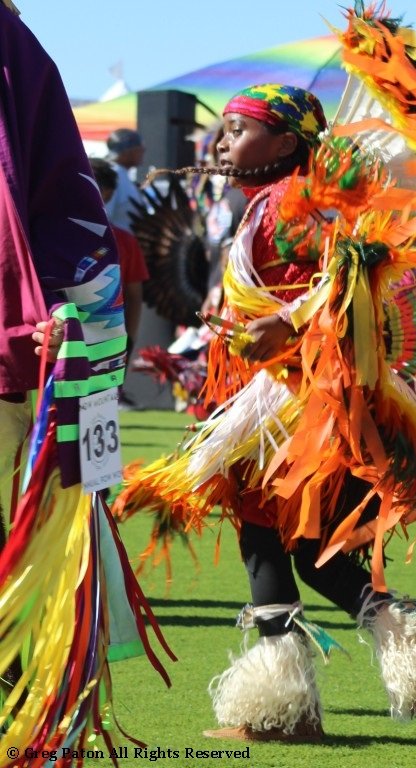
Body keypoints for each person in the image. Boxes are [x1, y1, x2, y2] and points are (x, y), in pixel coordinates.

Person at [118, 83, 416, 746]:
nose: (218, 141)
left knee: (281, 543)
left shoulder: (294, 201)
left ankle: (381, 675)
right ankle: (336, 689)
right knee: (295, 548)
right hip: (276, 408)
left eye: (236, 128)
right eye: (217, 130)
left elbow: (369, 270)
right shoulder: (264, 205)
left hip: (298, 409)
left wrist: (289, 321)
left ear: (285, 142)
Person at [0, 2, 171, 761]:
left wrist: (92, 363)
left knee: (25, 591)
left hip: (28, 366)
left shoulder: (11, 48)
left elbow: (70, 219)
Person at [88, 157, 150, 369]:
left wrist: (128, 342)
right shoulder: (49, 236)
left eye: (91, 182)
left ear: (108, 193)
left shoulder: (124, 242)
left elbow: (134, 297)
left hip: (107, 347)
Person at [104, 127, 146, 231]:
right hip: (117, 244)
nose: (143, 150)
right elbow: (106, 217)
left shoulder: (121, 174)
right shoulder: (113, 175)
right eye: (139, 148)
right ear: (127, 151)